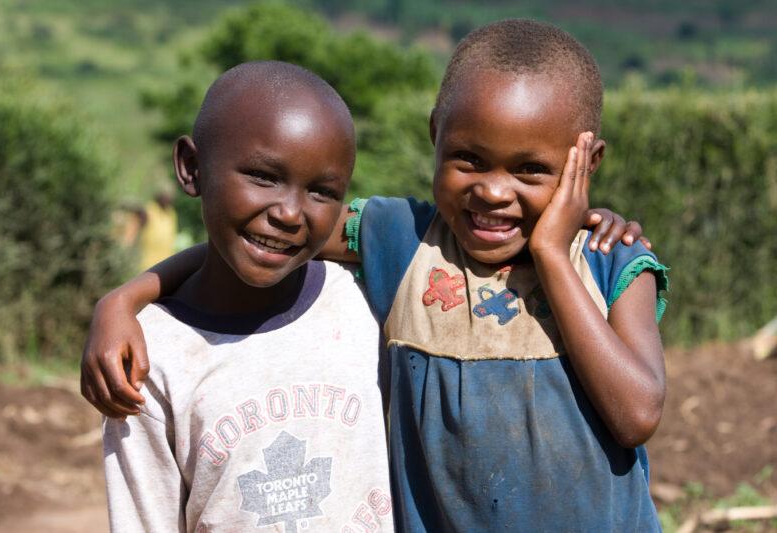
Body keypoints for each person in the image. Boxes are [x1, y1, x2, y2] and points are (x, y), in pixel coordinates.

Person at [82, 20, 663, 532]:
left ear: (586, 165)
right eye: (470, 159)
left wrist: (557, 256)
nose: (493, 190)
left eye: (532, 170)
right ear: (437, 135)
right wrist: (126, 299)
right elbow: (265, 237)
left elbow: (637, 414)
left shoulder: (615, 263)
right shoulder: (402, 240)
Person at [100, 60, 395, 532]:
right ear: (192, 168)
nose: (290, 212)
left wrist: (118, 299)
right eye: (262, 176)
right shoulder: (147, 359)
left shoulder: (369, 303)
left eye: (322, 191)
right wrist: (119, 304)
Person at [137, 187, 178, 271]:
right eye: (165, 197)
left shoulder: (171, 213)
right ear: (159, 197)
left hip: (165, 262)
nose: (168, 200)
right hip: (147, 262)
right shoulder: (149, 211)